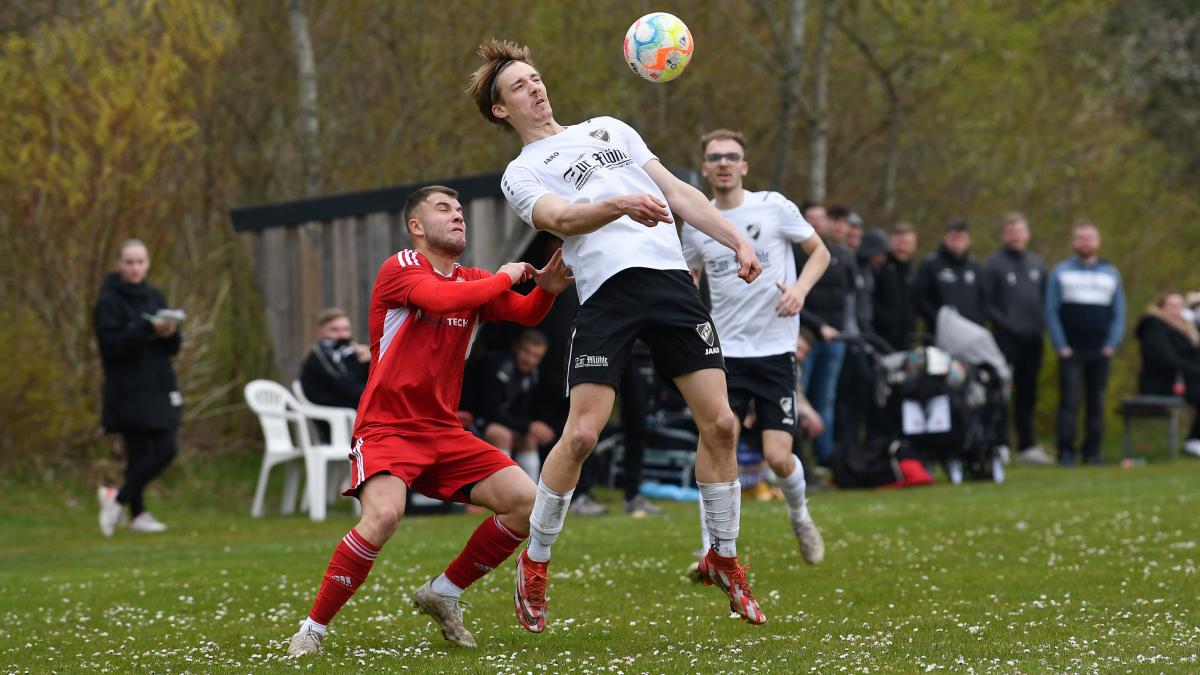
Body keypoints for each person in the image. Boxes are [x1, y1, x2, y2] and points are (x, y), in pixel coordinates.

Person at [471, 39, 767, 629]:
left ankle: (724, 557)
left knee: (724, 425)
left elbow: (679, 194)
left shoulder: (610, 128)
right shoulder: (521, 171)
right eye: (519, 86)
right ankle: (535, 562)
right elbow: (559, 218)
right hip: (607, 293)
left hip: (670, 284)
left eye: (535, 76)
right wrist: (619, 204)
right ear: (501, 110)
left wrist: (734, 238)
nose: (535, 87)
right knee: (580, 435)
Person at [285, 185, 573, 656]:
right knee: (383, 517)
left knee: (526, 503)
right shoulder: (400, 269)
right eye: (444, 209)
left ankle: (445, 591)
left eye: (461, 210)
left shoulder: (473, 279)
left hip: (443, 431)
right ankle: (312, 630)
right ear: (416, 227)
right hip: (388, 427)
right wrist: (504, 277)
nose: (458, 216)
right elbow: (441, 301)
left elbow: (523, 312)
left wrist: (546, 290)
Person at [681, 128, 830, 566]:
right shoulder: (697, 220)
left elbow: (819, 252)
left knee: (777, 457)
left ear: (744, 166)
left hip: (775, 351)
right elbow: (689, 283)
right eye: (714, 157)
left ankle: (800, 516)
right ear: (705, 168)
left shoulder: (774, 206)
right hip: (724, 355)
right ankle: (710, 547)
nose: (723, 163)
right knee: (714, 444)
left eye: (731, 156)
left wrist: (800, 291)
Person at [94, 239, 183, 536]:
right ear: (119, 264)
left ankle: (119, 500)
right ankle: (136, 512)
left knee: (166, 447)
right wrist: (144, 328)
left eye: (140, 262)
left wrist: (169, 332)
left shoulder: (154, 295)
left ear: (148, 264)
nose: (135, 268)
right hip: (128, 388)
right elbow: (110, 347)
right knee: (138, 451)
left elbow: (173, 348)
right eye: (129, 262)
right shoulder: (109, 300)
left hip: (159, 384)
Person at [1045, 221, 1126, 466]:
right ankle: (1066, 451)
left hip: (1100, 349)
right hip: (1071, 349)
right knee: (1069, 402)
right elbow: (1051, 310)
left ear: (1098, 241)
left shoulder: (1111, 274)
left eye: (1089, 238)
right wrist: (1061, 345)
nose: (1085, 242)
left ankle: (1092, 452)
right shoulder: (1060, 272)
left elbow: (1119, 312)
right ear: (1073, 242)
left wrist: (1111, 343)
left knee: (1096, 403)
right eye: (1080, 238)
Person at [983, 213, 1053, 465]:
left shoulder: (1037, 264)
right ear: (1004, 235)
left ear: (1027, 233)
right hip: (1004, 339)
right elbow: (987, 303)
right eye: (1010, 231)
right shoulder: (993, 264)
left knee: (1028, 392)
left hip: (1033, 339)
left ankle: (1027, 444)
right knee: (1002, 392)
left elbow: (1047, 301)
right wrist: (1007, 325)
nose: (1015, 235)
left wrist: (1043, 326)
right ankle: (1000, 443)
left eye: (1019, 230)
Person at [795, 203, 855, 466]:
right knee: (800, 398)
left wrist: (845, 331)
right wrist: (819, 327)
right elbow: (794, 295)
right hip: (806, 338)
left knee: (826, 400)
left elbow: (848, 299)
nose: (818, 224)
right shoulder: (797, 253)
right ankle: (799, 462)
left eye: (823, 218)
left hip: (835, 339)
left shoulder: (844, 254)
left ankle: (826, 461)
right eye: (812, 219)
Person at [470, 330, 556, 481]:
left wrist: (530, 428)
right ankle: (500, 491)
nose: (529, 360)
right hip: (473, 418)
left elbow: (520, 412)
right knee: (502, 435)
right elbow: (490, 411)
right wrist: (528, 425)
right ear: (516, 347)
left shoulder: (532, 375)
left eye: (536, 356)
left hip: (500, 422)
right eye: (526, 352)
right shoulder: (497, 365)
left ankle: (532, 497)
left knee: (529, 438)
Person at [1136, 293, 1200, 459]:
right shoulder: (1154, 328)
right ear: (1161, 308)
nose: (1176, 310)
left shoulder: (1187, 328)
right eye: (1172, 306)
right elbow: (1168, 361)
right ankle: (1193, 441)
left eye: (1180, 306)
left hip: (1185, 380)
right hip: (1162, 383)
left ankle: (1195, 439)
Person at [298, 308, 371, 443]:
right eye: (335, 330)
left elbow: (357, 384)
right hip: (331, 419)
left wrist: (367, 363)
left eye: (346, 329)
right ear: (321, 332)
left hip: (351, 412)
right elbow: (346, 387)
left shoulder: (348, 354)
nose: (342, 335)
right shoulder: (320, 356)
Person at [914, 218, 988, 332]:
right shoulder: (931, 264)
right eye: (953, 237)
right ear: (946, 238)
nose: (957, 241)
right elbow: (920, 298)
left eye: (961, 237)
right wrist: (938, 320)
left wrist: (976, 323)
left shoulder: (975, 267)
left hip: (970, 333)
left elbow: (984, 300)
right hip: (939, 332)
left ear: (968, 240)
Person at [873, 222, 918, 351]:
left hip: (907, 337)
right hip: (882, 336)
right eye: (900, 242)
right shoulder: (880, 267)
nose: (903, 247)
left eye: (907, 243)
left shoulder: (914, 270)